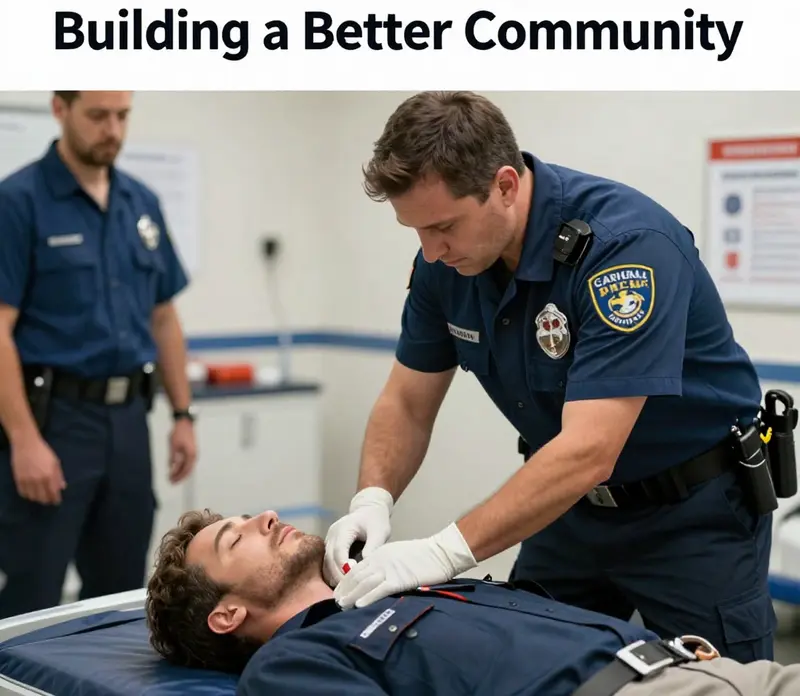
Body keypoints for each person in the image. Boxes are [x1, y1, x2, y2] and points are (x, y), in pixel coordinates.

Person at [323, 90, 787, 664]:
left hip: (690, 517)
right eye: (414, 230)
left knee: (723, 682)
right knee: (523, 667)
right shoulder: (446, 264)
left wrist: (444, 552)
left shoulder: (625, 248)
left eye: (443, 226)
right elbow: (407, 403)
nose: (431, 251)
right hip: (569, 512)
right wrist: (373, 500)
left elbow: (590, 449)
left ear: (506, 186)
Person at [144, 508, 800, 696]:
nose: (264, 516)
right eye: (235, 538)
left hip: (704, 670)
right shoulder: (291, 666)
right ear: (225, 614)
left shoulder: (400, 588)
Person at [0, 90, 197, 618]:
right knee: (32, 594)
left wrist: (182, 415)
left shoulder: (141, 203)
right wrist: (23, 440)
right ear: (60, 110)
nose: (112, 129)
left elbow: (163, 317)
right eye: (97, 116)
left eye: (122, 116)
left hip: (129, 421)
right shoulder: (18, 201)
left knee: (120, 595)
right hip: (53, 421)